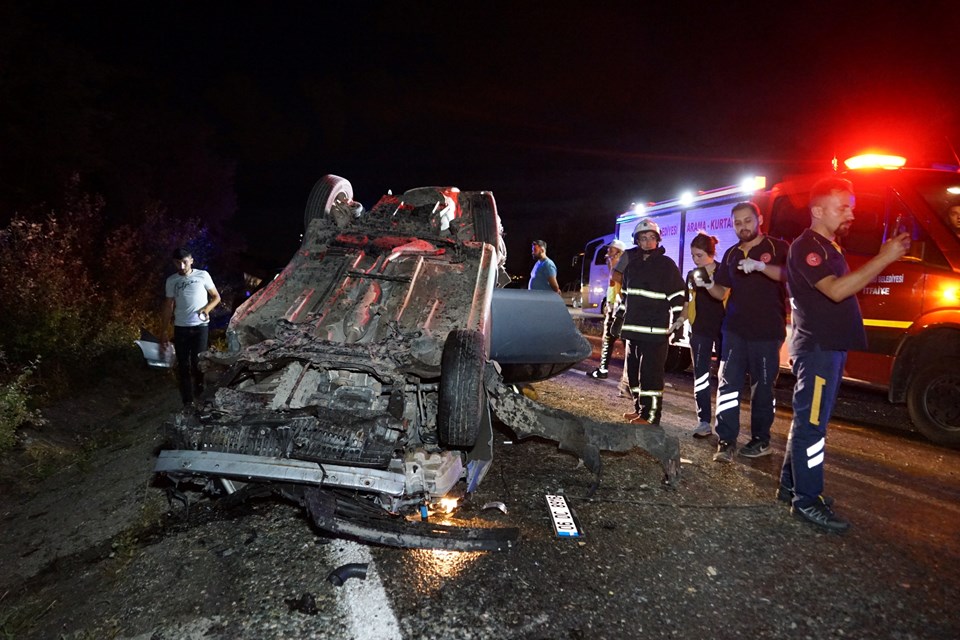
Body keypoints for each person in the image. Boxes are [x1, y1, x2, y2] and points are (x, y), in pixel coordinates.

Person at [779, 177, 909, 532]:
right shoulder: (809, 247)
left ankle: (791, 486)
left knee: (808, 421)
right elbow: (836, 291)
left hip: (826, 349)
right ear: (818, 210)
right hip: (818, 350)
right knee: (813, 427)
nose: (851, 212)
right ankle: (807, 499)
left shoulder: (828, 245)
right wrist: (884, 258)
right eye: (843, 206)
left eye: (851, 205)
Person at [695, 201, 788, 462]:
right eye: (737, 222)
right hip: (734, 330)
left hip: (767, 331)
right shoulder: (732, 254)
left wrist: (761, 267)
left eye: (747, 220)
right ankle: (726, 440)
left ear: (759, 219)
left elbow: (788, 275)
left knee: (763, 388)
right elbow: (721, 291)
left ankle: (761, 440)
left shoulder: (777, 247)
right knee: (728, 385)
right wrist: (707, 283)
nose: (743, 226)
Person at [612, 219, 686, 425]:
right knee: (634, 377)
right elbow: (626, 296)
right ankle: (640, 410)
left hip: (654, 334)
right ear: (637, 241)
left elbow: (678, 295)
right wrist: (618, 319)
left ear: (657, 240)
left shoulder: (666, 265)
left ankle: (651, 417)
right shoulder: (632, 265)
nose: (647, 242)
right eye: (643, 238)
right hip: (633, 331)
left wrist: (679, 322)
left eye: (651, 238)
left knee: (651, 376)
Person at [160, 247, 221, 407]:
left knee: (198, 362)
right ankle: (187, 401)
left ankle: (201, 395)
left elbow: (216, 297)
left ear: (191, 261)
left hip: (200, 326)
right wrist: (164, 331)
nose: (181, 266)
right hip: (181, 327)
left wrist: (206, 309)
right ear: (174, 262)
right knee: (183, 364)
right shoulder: (172, 280)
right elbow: (168, 305)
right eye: (178, 263)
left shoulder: (202, 275)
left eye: (184, 262)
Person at [684, 232, 725, 438]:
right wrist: (679, 321)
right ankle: (703, 422)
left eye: (699, 255)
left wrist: (709, 284)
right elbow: (687, 302)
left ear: (711, 253)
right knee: (701, 376)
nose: (695, 260)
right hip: (699, 330)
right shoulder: (692, 274)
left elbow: (725, 295)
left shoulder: (723, 271)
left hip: (724, 329)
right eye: (693, 256)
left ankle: (725, 424)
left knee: (725, 377)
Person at [589, 239, 628, 379]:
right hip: (613, 307)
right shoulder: (613, 266)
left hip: (621, 309)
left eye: (611, 250)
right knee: (608, 339)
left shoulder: (622, 268)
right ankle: (603, 369)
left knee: (625, 340)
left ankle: (630, 375)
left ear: (619, 253)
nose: (607, 253)